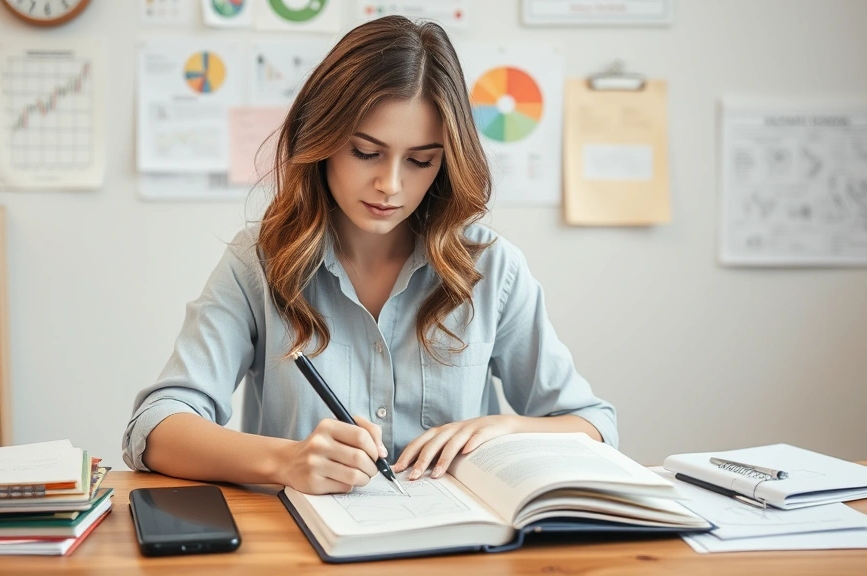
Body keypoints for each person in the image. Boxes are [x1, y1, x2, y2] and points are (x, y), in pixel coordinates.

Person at [122, 15, 617, 495]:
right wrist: (285, 461)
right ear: (321, 140)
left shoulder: (490, 267)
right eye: (365, 152)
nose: (391, 185)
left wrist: (508, 428)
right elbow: (157, 426)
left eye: (421, 161)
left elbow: (594, 426)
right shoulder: (260, 261)